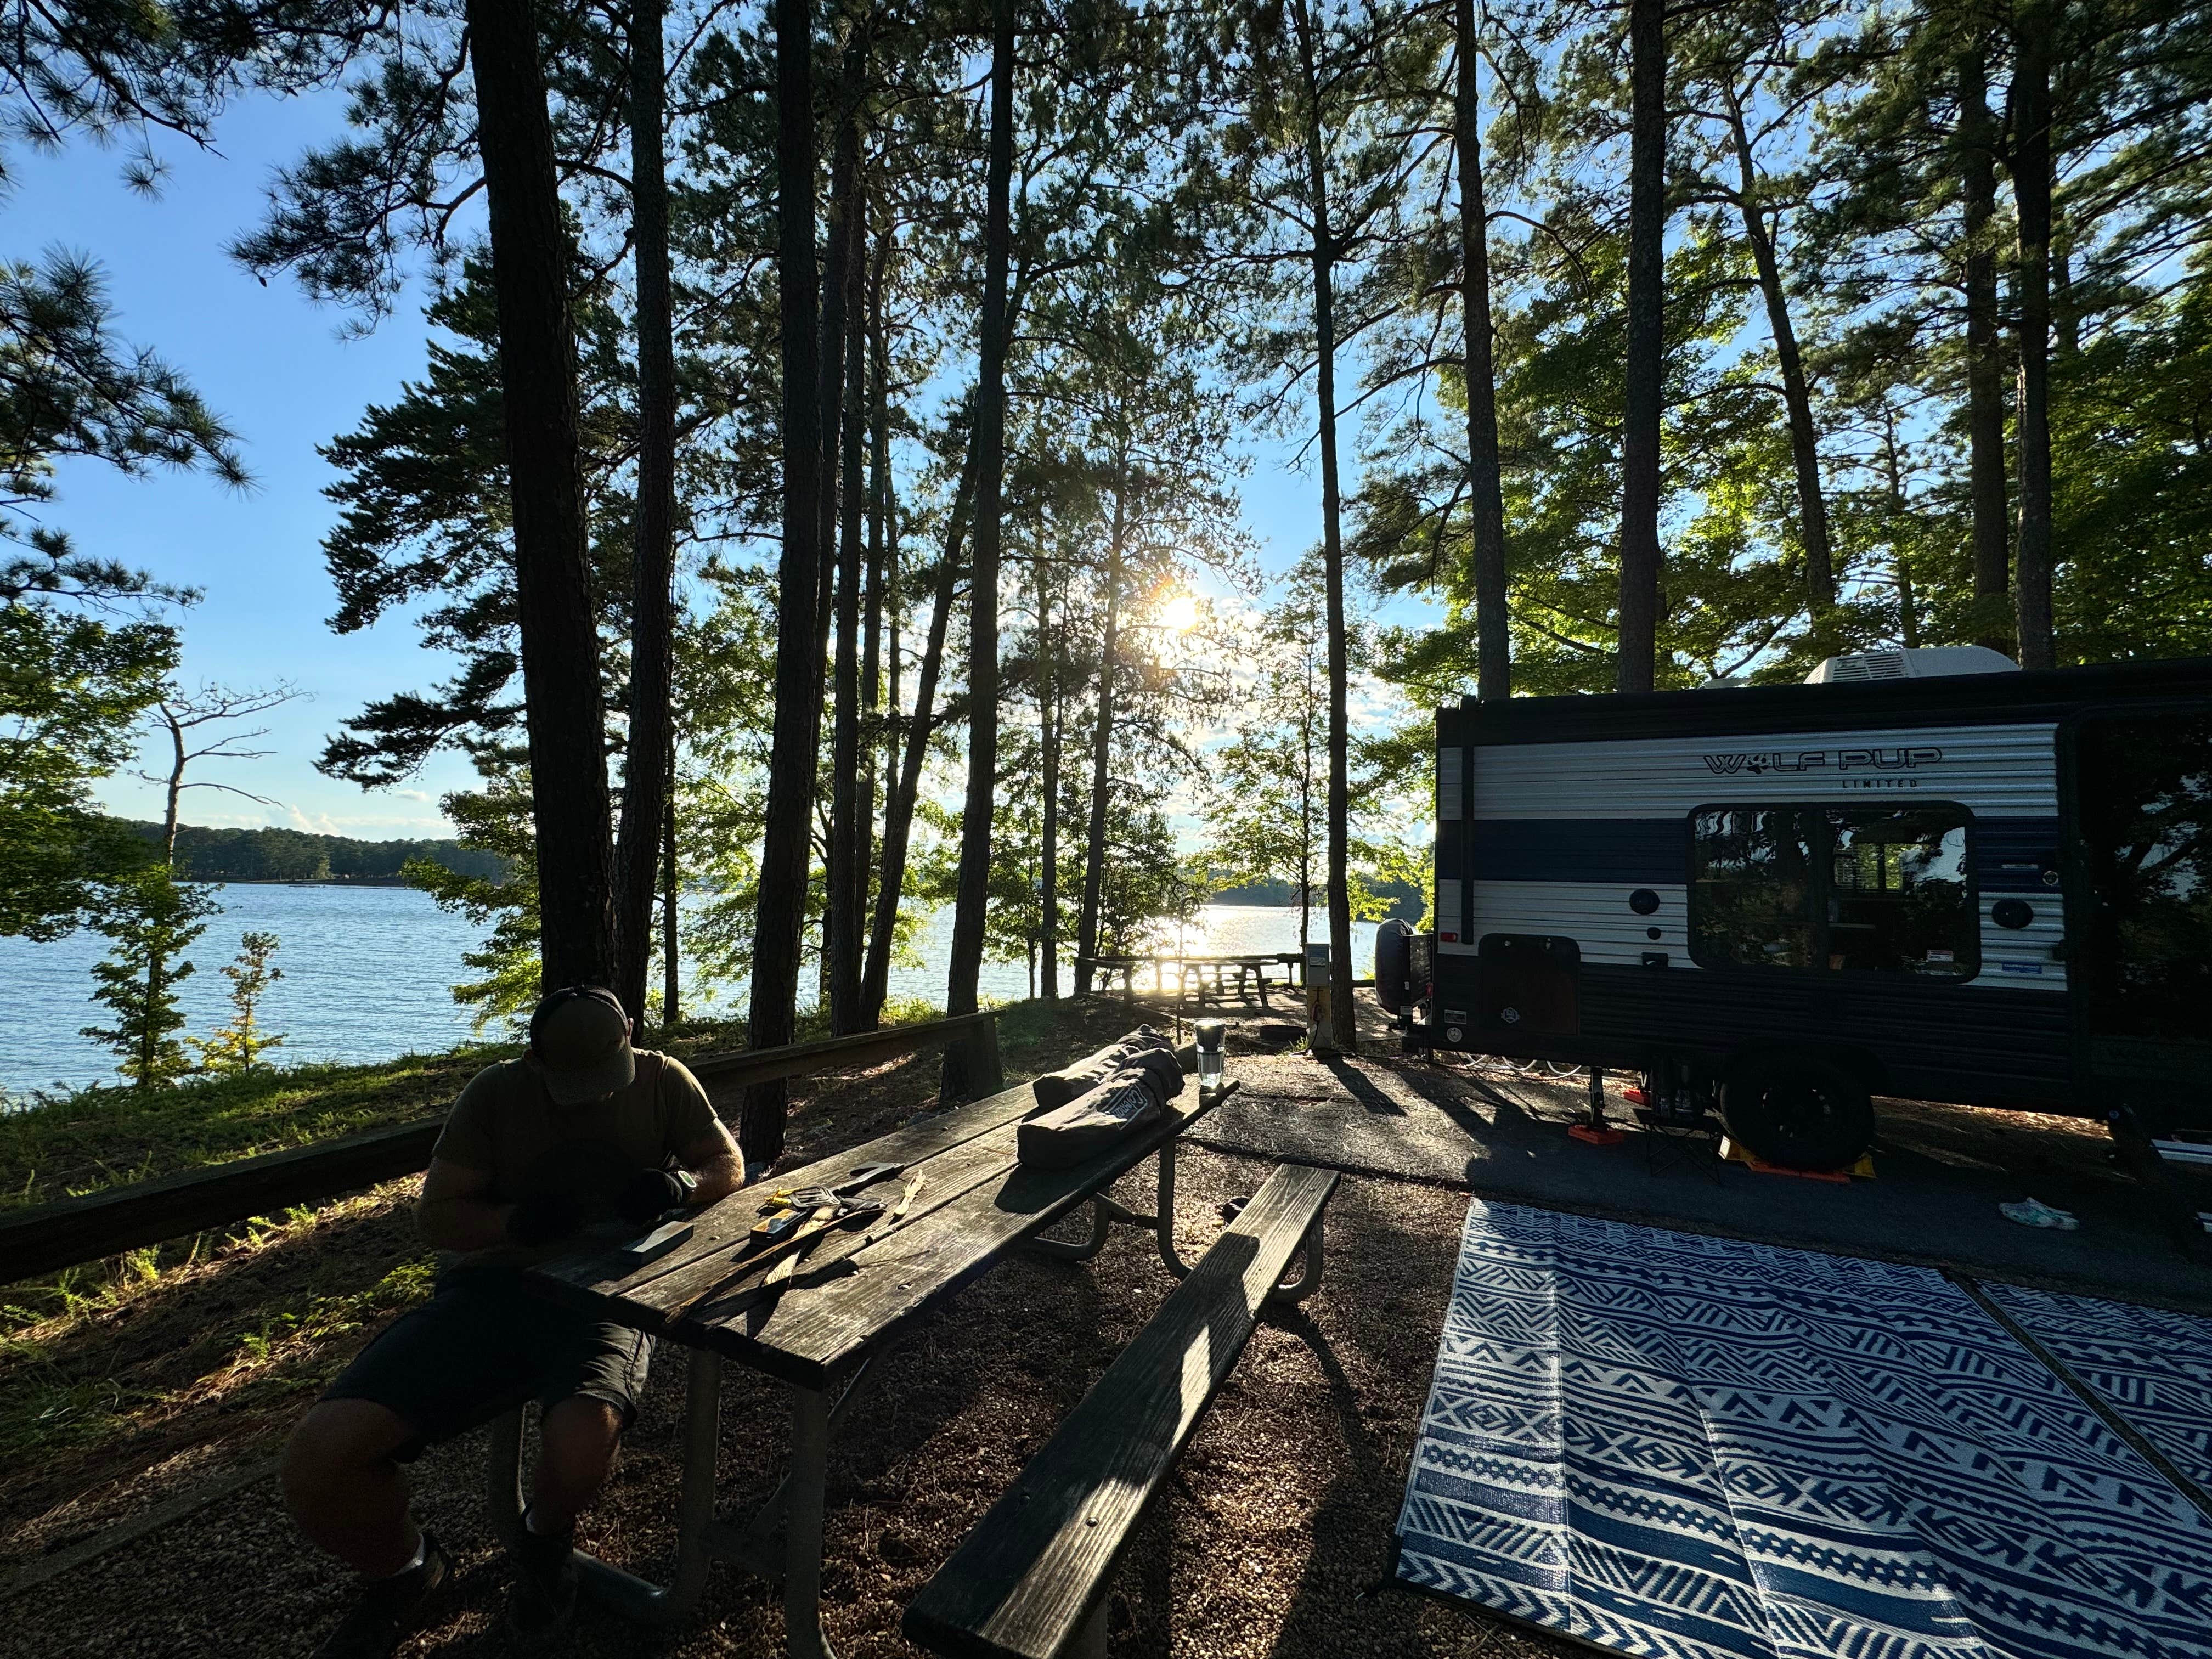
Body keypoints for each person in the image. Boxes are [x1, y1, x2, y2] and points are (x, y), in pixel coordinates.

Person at [282, 984, 746, 1657]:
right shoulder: (494, 1095)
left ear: (631, 1035)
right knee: (321, 1458)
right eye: (572, 1083)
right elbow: (436, 1216)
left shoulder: (662, 1077)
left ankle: (544, 1541)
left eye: (602, 1078)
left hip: (611, 1291)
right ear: (532, 1056)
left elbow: (725, 1161)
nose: (590, 1096)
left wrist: (682, 1187)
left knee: (583, 1438)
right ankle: (408, 1571)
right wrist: (513, 1224)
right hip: (492, 1292)